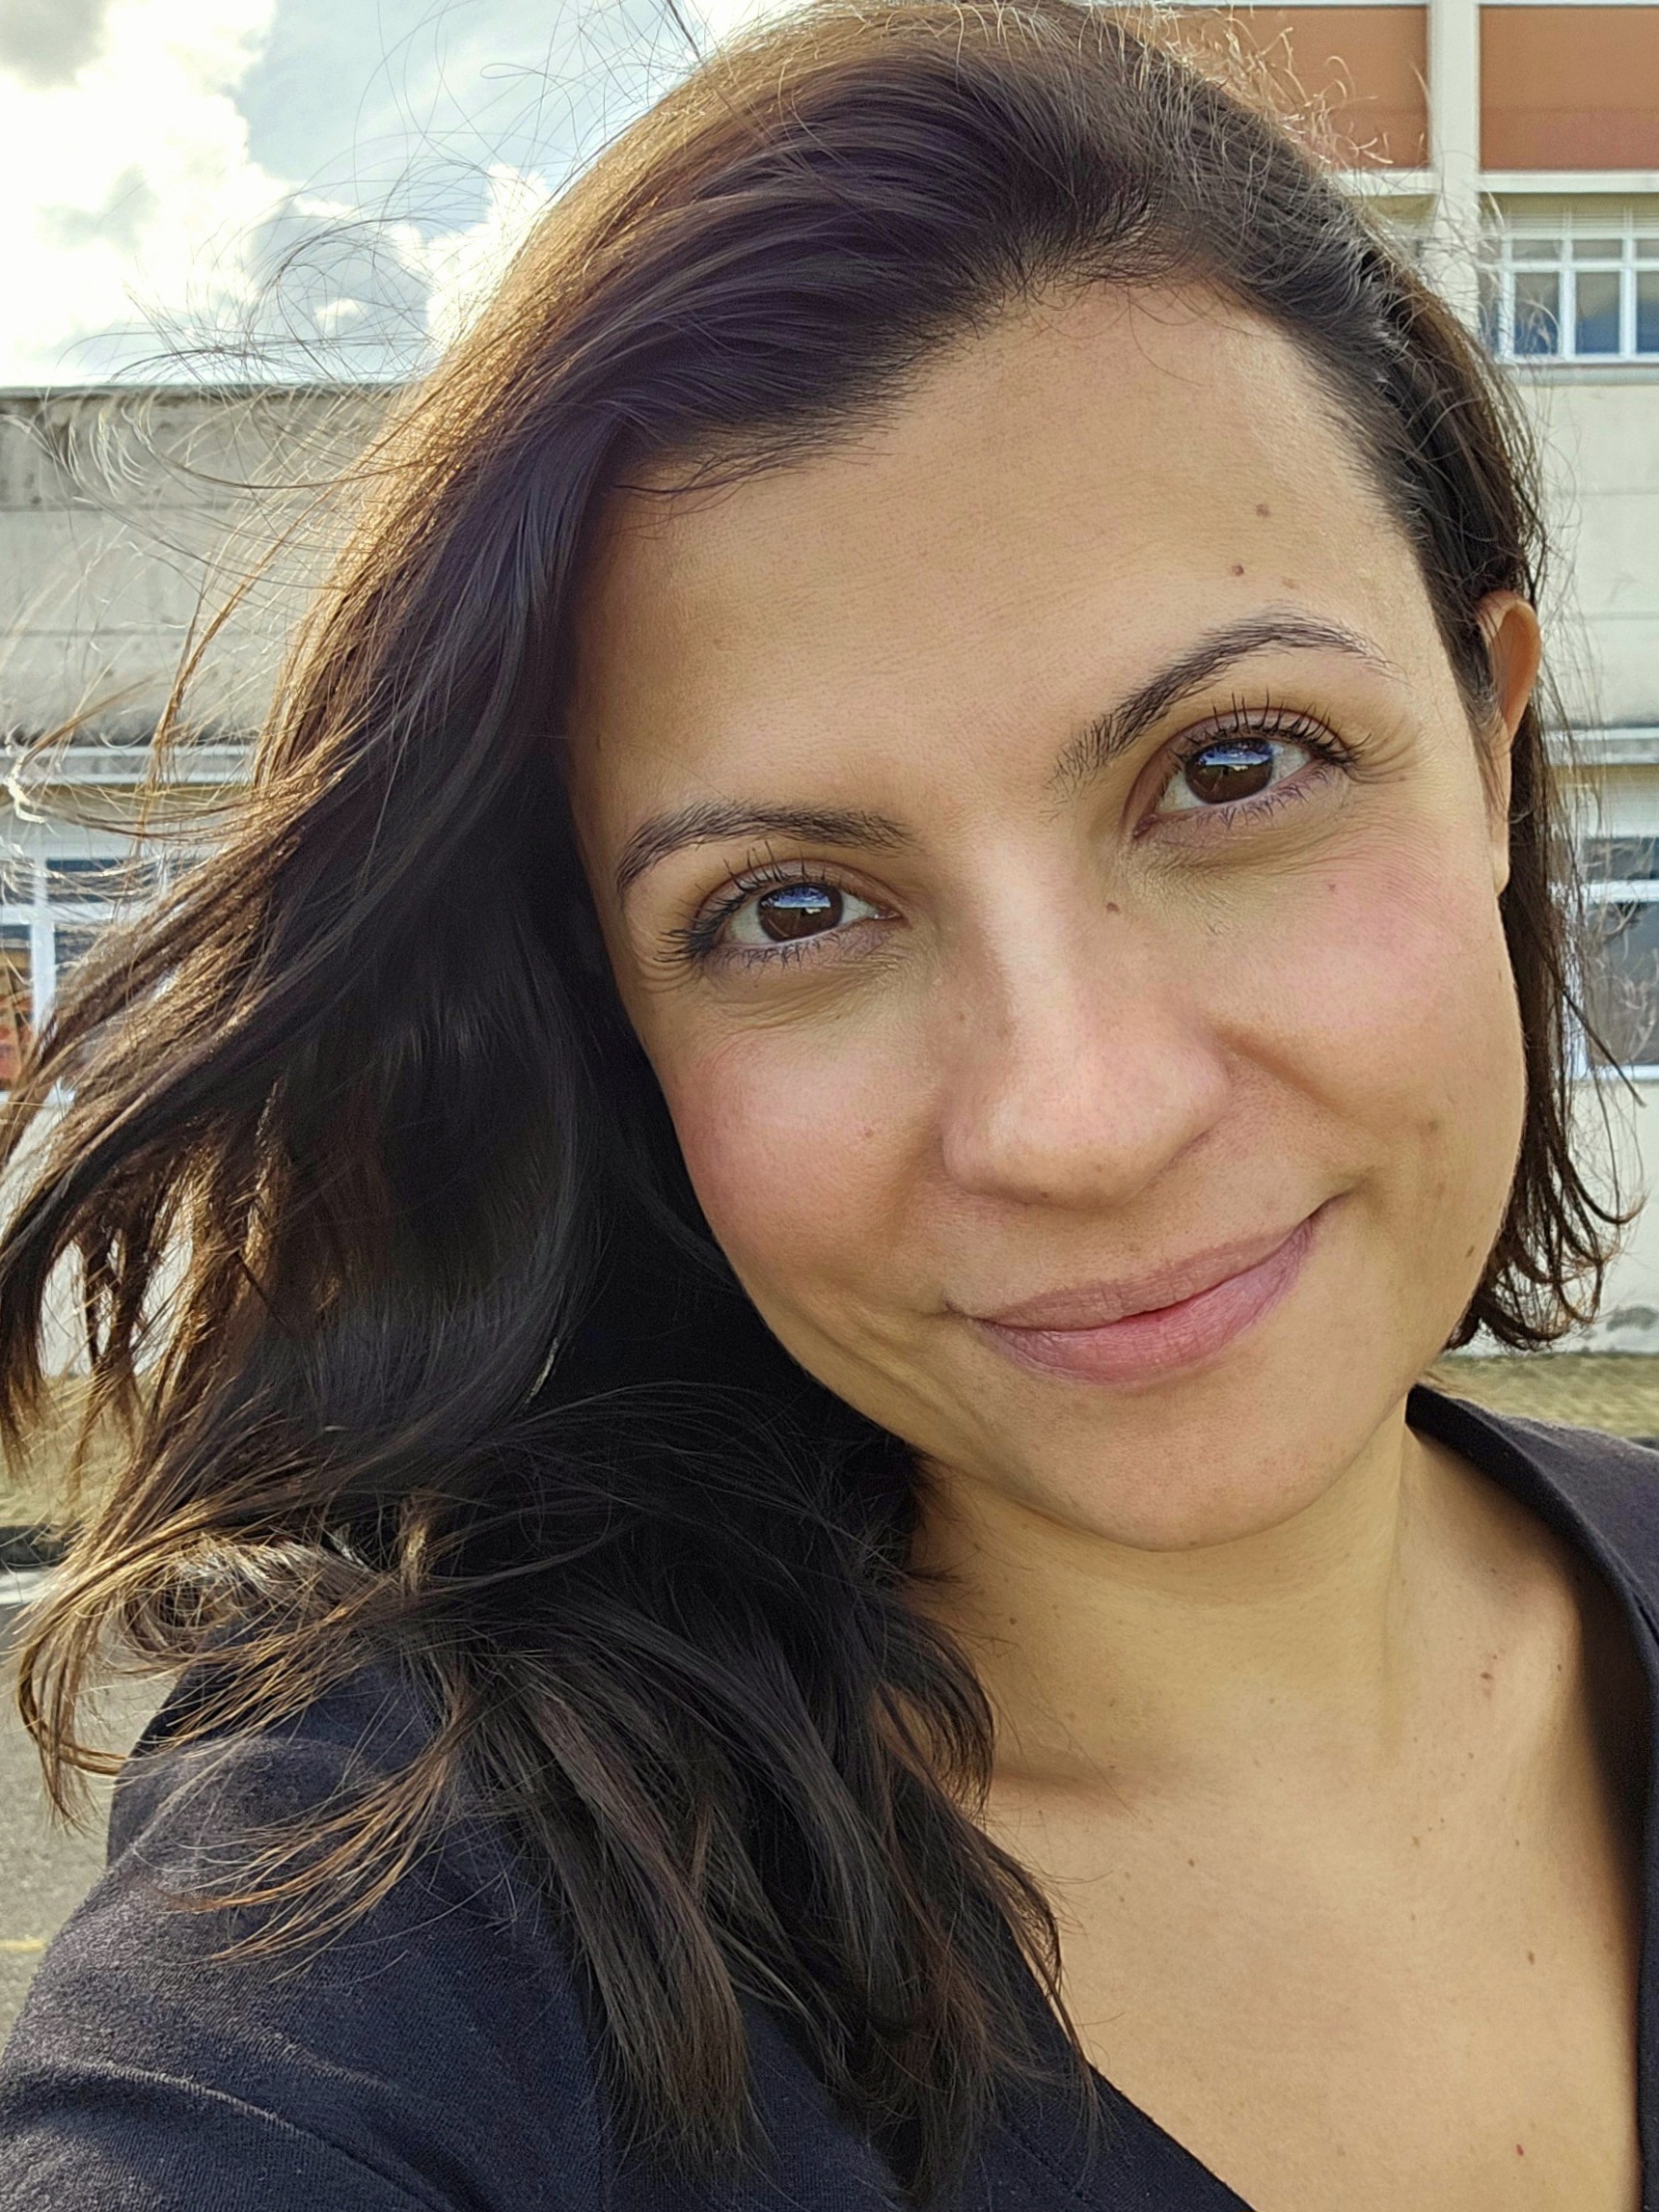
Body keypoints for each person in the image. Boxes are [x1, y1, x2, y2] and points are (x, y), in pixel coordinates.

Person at [0, 2, 1649, 2204]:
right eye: (793, 909)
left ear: (1490, 743)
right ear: (616, 1010)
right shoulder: (397, 1923)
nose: (1077, 1118)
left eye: (1233, 767)